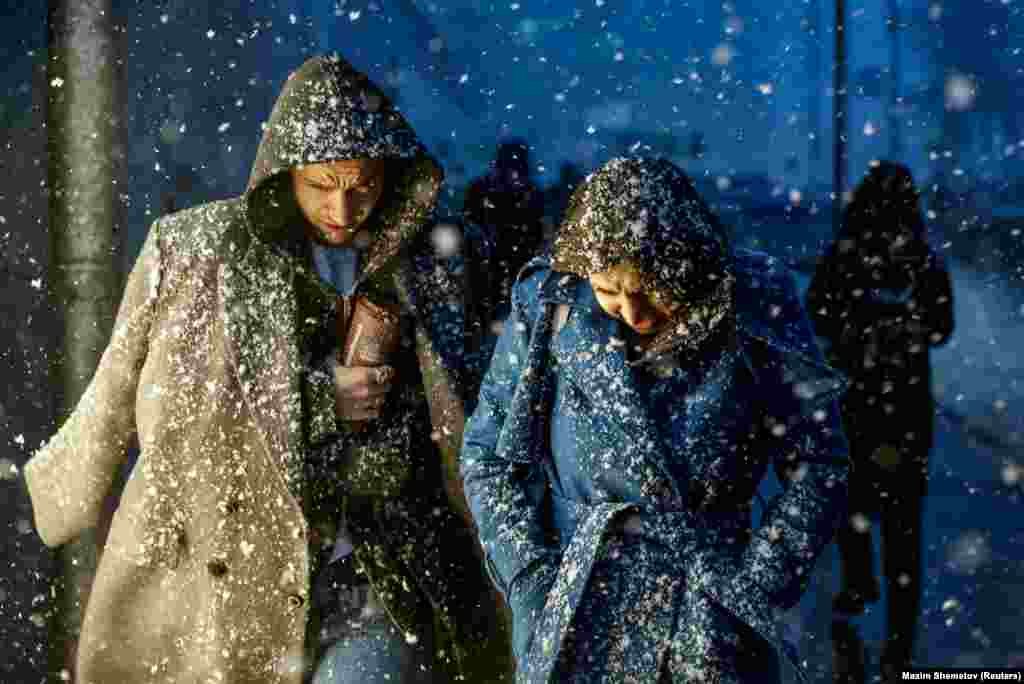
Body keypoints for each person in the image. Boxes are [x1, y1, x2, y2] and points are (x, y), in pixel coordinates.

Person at [23, 54, 510, 684]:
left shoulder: (429, 266)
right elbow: (155, 400)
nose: (344, 207)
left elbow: (464, 416)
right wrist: (314, 396)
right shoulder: (197, 250)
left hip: (378, 571)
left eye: (363, 183)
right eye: (323, 183)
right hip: (234, 569)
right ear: (285, 172)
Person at [461, 157, 851, 683]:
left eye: (652, 289)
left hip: (708, 608)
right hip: (576, 607)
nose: (633, 313)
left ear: (690, 261)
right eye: (608, 292)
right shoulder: (549, 305)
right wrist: (532, 579)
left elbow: (820, 463)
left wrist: (757, 583)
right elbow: (486, 456)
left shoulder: (755, 305)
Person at [806, 160, 955, 679]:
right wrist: (904, 325)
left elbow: (816, 314)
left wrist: (858, 326)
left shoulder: (845, 254)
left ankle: (858, 587)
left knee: (854, 503)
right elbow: (942, 328)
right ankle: (899, 636)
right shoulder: (921, 259)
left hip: (860, 405)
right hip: (906, 409)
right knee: (903, 520)